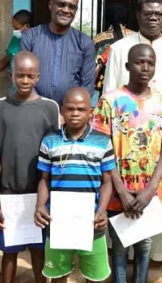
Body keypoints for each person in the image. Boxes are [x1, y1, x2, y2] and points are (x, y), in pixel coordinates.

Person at [103, 0, 162, 261]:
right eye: (147, 13)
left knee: (154, 197)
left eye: (159, 14)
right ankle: (121, 254)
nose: (153, 18)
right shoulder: (119, 49)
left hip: (160, 143)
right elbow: (109, 93)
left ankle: (156, 254)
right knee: (122, 201)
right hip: (125, 144)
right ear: (138, 15)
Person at [92, 44, 162, 283]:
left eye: (150, 63)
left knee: (144, 246)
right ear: (127, 66)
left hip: (149, 192)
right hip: (119, 191)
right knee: (119, 247)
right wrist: (121, 191)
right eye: (139, 62)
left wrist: (149, 190)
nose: (145, 67)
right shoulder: (110, 101)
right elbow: (102, 148)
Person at [0, 52, 59, 283]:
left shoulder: (50, 108)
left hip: (39, 193)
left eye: (30, 76)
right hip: (9, 193)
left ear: (38, 77)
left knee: (39, 250)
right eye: (20, 76)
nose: (25, 81)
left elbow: (54, 154)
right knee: (9, 250)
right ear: (11, 75)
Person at [35, 87, 115, 282]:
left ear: (90, 112)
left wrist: (102, 210)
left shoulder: (103, 142)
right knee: (59, 274)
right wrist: (40, 206)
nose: (75, 113)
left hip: (91, 221)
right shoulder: (50, 141)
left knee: (94, 276)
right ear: (62, 110)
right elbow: (44, 180)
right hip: (58, 221)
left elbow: (107, 182)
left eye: (81, 109)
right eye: (70, 109)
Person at [20, 0, 96, 106]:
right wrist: (41, 107)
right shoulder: (31, 37)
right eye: (61, 4)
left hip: (69, 118)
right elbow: (21, 76)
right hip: (32, 110)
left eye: (71, 7)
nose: (66, 10)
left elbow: (87, 86)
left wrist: (66, 113)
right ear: (51, 5)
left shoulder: (85, 43)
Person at [92, 3, 135, 96]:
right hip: (133, 94)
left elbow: (93, 72)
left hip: (107, 94)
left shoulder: (99, 40)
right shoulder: (135, 37)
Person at [0, 10, 32, 76]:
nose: (14, 31)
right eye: (13, 28)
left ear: (26, 26)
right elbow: (8, 58)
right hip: (15, 84)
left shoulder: (35, 42)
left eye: (16, 28)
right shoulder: (15, 39)